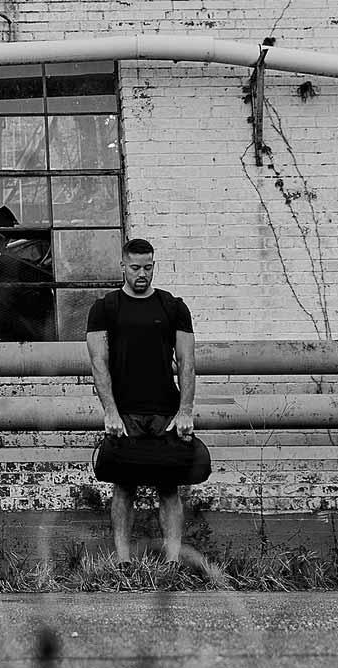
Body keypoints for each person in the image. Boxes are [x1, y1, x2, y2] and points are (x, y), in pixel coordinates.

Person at [86, 238, 196, 563]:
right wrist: (110, 411)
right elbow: (98, 363)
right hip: (124, 413)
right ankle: (123, 562)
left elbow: (187, 362)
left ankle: (173, 563)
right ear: (123, 266)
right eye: (135, 268)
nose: (142, 274)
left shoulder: (172, 306)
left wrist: (186, 410)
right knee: (123, 487)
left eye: (148, 267)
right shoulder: (105, 308)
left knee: (169, 488)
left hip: (166, 410)